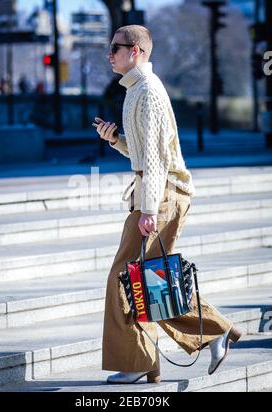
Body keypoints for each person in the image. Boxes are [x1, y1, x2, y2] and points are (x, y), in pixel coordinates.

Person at [95, 24, 242, 385]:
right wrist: (116, 140)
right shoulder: (135, 91)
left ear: (137, 51)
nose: (110, 53)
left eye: (116, 47)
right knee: (148, 281)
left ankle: (144, 358)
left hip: (160, 196)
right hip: (160, 193)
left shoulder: (146, 91)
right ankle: (204, 336)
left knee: (124, 279)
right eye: (110, 47)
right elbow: (145, 152)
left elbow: (157, 161)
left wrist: (147, 211)